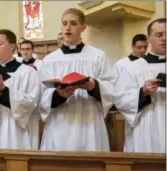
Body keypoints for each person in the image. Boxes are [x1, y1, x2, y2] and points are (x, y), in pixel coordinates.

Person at [39, 8, 115, 151]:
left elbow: (111, 87)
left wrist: (94, 86)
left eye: (73, 23)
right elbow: (41, 94)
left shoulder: (98, 56)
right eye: (64, 23)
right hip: (60, 123)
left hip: (90, 122)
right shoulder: (50, 60)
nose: (68, 27)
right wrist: (58, 95)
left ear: (83, 27)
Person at [114, 18, 166, 153]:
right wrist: (142, 92)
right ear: (149, 38)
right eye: (159, 35)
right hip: (145, 129)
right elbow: (121, 100)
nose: (164, 39)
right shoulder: (132, 68)